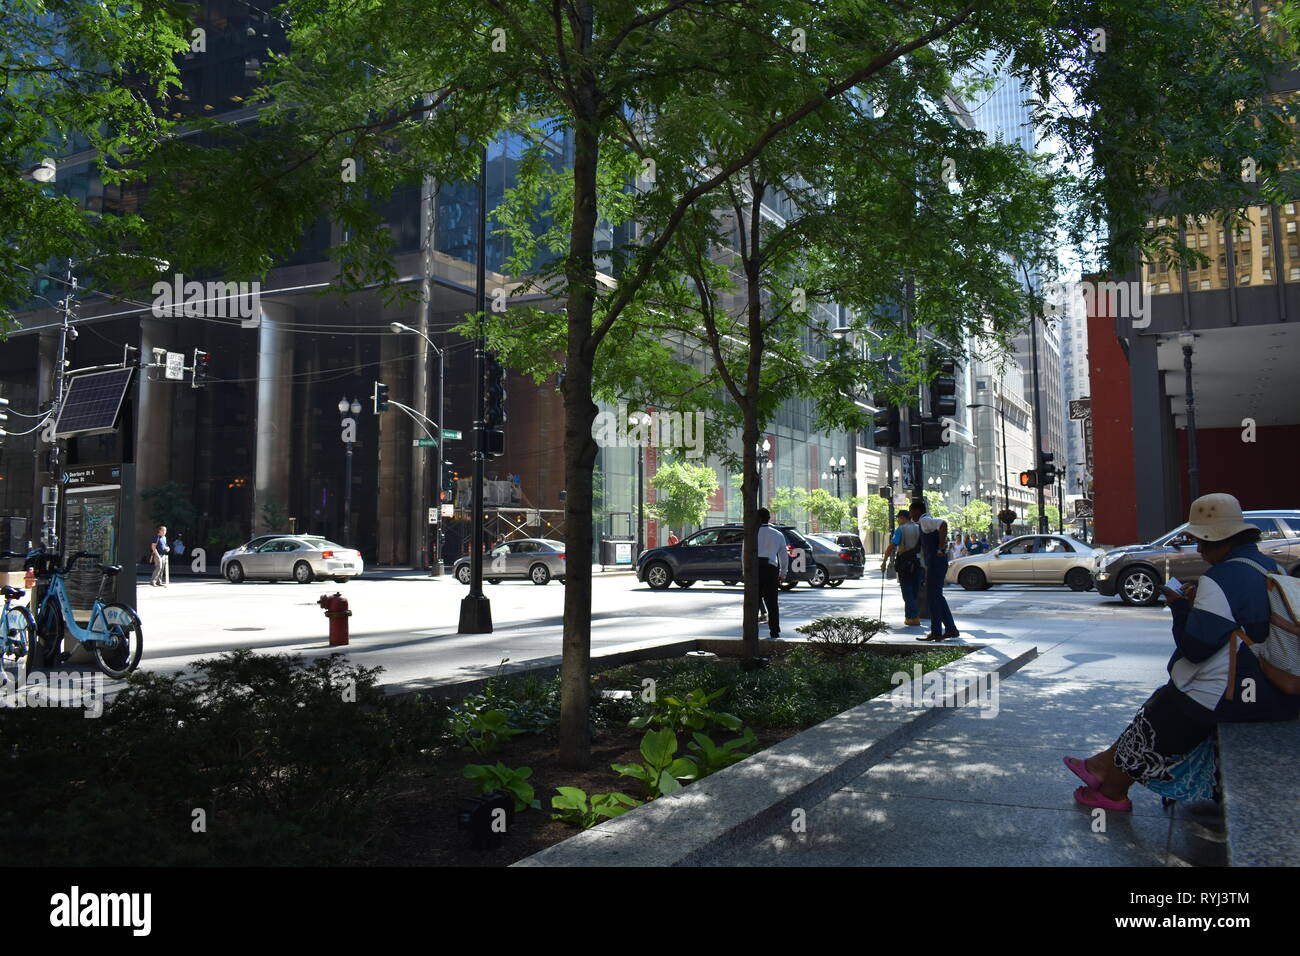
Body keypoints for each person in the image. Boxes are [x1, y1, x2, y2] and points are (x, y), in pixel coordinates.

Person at [1065, 494, 1300, 811]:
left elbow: (1195, 648)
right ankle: (1102, 767)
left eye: (1204, 542)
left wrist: (1179, 607)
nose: (1200, 550)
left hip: (1238, 695)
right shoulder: (1267, 566)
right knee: (1164, 703)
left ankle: (1112, 788)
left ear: (1224, 541)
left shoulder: (1222, 579)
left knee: (1168, 711)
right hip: (1272, 690)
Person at [911, 499, 958, 641]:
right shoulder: (925, 522)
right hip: (935, 563)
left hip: (936, 562)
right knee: (937, 597)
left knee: (933, 598)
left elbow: (943, 524)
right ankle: (950, 629)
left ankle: (937, 632)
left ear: (918, 511)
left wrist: (940, 548)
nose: (911, 514)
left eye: (912, 511)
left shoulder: (925, 521)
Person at [881, 509, 922, 626]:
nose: (898, 521)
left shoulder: (901, 530)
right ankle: (909, 617)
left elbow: (891, 546)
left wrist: (884, 561)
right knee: (914, 592)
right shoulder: (919, 528)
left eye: (898, 518)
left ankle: (914, 617)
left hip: (905, 564)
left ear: (903, 518)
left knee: (907, 592)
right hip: (919, 564)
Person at [754, 507, 789, 640]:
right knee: (772, 603)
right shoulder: (777, 534)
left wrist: (745, 572)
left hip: (755, 569)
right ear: (769, 518)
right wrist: (783, 573)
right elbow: (783, 556)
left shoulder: (751, 534)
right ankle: (774, 630)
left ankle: (752, 629)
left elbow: (744, 554)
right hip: (770, 568)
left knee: (753, 602)